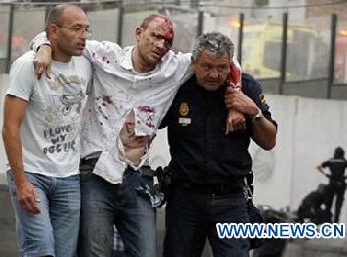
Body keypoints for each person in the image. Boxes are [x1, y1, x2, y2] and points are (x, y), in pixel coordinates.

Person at [30, 15, 244, 257]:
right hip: (96, 170)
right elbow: (60, 38)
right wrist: (44, 47)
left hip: (137, 176)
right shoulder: (107, 56)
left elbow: (230, 62)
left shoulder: (175, 67)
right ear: (139, 32)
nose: (160, 45)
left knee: (146, 252)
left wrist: (236, 101)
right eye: (155, 36)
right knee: (95, 251)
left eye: (167, 41)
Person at [160, 32, 277, 257]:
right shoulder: (177, 87)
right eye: (207, 67)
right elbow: (148, 124)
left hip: (231, 200)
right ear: (194, 63)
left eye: (222, 68)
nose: (214, 74)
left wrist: (253, 112)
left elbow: (269, 141)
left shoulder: (246, 87)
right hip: (185, 199)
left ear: (230, 64)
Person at [2, 4, 92, 257]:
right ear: (53, 31)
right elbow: (10, 127)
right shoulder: (27, 66)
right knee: (40, 251)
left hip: (69, 177)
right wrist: (21, 182)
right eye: (76, 29)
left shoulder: (86, 65)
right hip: (32, 173)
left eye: (87, 29)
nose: (84, 36)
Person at [317, 147, 347, 222]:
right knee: (338, 205)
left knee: (329, 204)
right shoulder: (344, 161)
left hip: (332, 183)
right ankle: (336, 222)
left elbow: (318, 167)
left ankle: (327, 221)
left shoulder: (331, 160)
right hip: (341, 184)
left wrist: (325, 174)